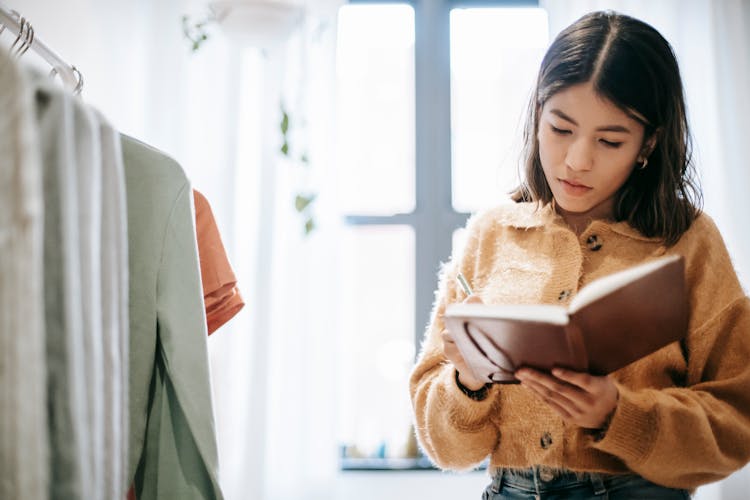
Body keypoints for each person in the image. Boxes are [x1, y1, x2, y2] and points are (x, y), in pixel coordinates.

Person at [409, 10, 750, 500]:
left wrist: (619, 414)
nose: (576, 161)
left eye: (610, 141)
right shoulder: (492, 233)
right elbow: (448, 451)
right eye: (560, 128)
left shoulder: (689, 242)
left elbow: (737, 423)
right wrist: (466, 381)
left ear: (648, 143)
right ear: (537, 114)